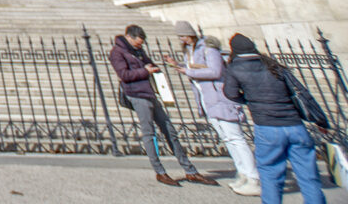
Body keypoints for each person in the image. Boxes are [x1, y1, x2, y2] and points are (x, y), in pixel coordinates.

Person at [222, 34, 327, 204]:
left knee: (270, 175)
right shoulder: (273, 65)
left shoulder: (235, 68)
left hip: (267, 126)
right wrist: (321, 121)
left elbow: (230, 93)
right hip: (295, 125)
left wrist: (249, 100)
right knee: (309, 177)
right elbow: (302, 92)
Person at [109, 25, 218, 187]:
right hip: (136, 94)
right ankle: (160, 172)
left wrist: (160, 66)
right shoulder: (117, 52)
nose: (140, 46)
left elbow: (149, 64)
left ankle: (190, 171)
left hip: (149, 92)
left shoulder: (137, 50)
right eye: (138, 43)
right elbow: (124, 75)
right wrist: (145, 71)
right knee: (149, 133)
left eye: (141, 43)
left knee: (170, 130)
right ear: (129, 37)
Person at [163, 22, 260, 195]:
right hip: (207, 100)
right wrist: (177, 64)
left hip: (221, 98)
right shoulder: (190, 51)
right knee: (227, 139)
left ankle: (254, 177)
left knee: (236, 138)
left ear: (190, 34)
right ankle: (243, 173)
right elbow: (195, 68)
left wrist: (188, 72)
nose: (181, 39)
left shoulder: (208, 48)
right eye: (180, 36)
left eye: (183, 35)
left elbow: (215, 71)